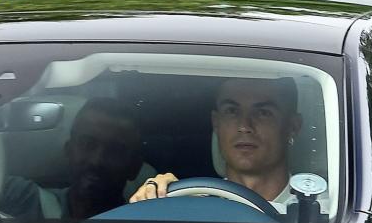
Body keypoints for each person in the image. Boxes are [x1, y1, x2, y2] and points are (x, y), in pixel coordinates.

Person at [129, 77, 310, 213]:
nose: (244, 126)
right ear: (216, 123)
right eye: (232, 111)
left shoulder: (329, 216)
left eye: (263, 113)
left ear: (293, 126)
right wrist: (157, 198)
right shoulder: (190, 207)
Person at [0, 97, 150, 221]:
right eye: (87, 144)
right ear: (69, 150)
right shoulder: (27, 199)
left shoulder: (148, 219)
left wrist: (170, 190)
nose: (96, 161)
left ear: (134, 167)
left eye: (114, 151)